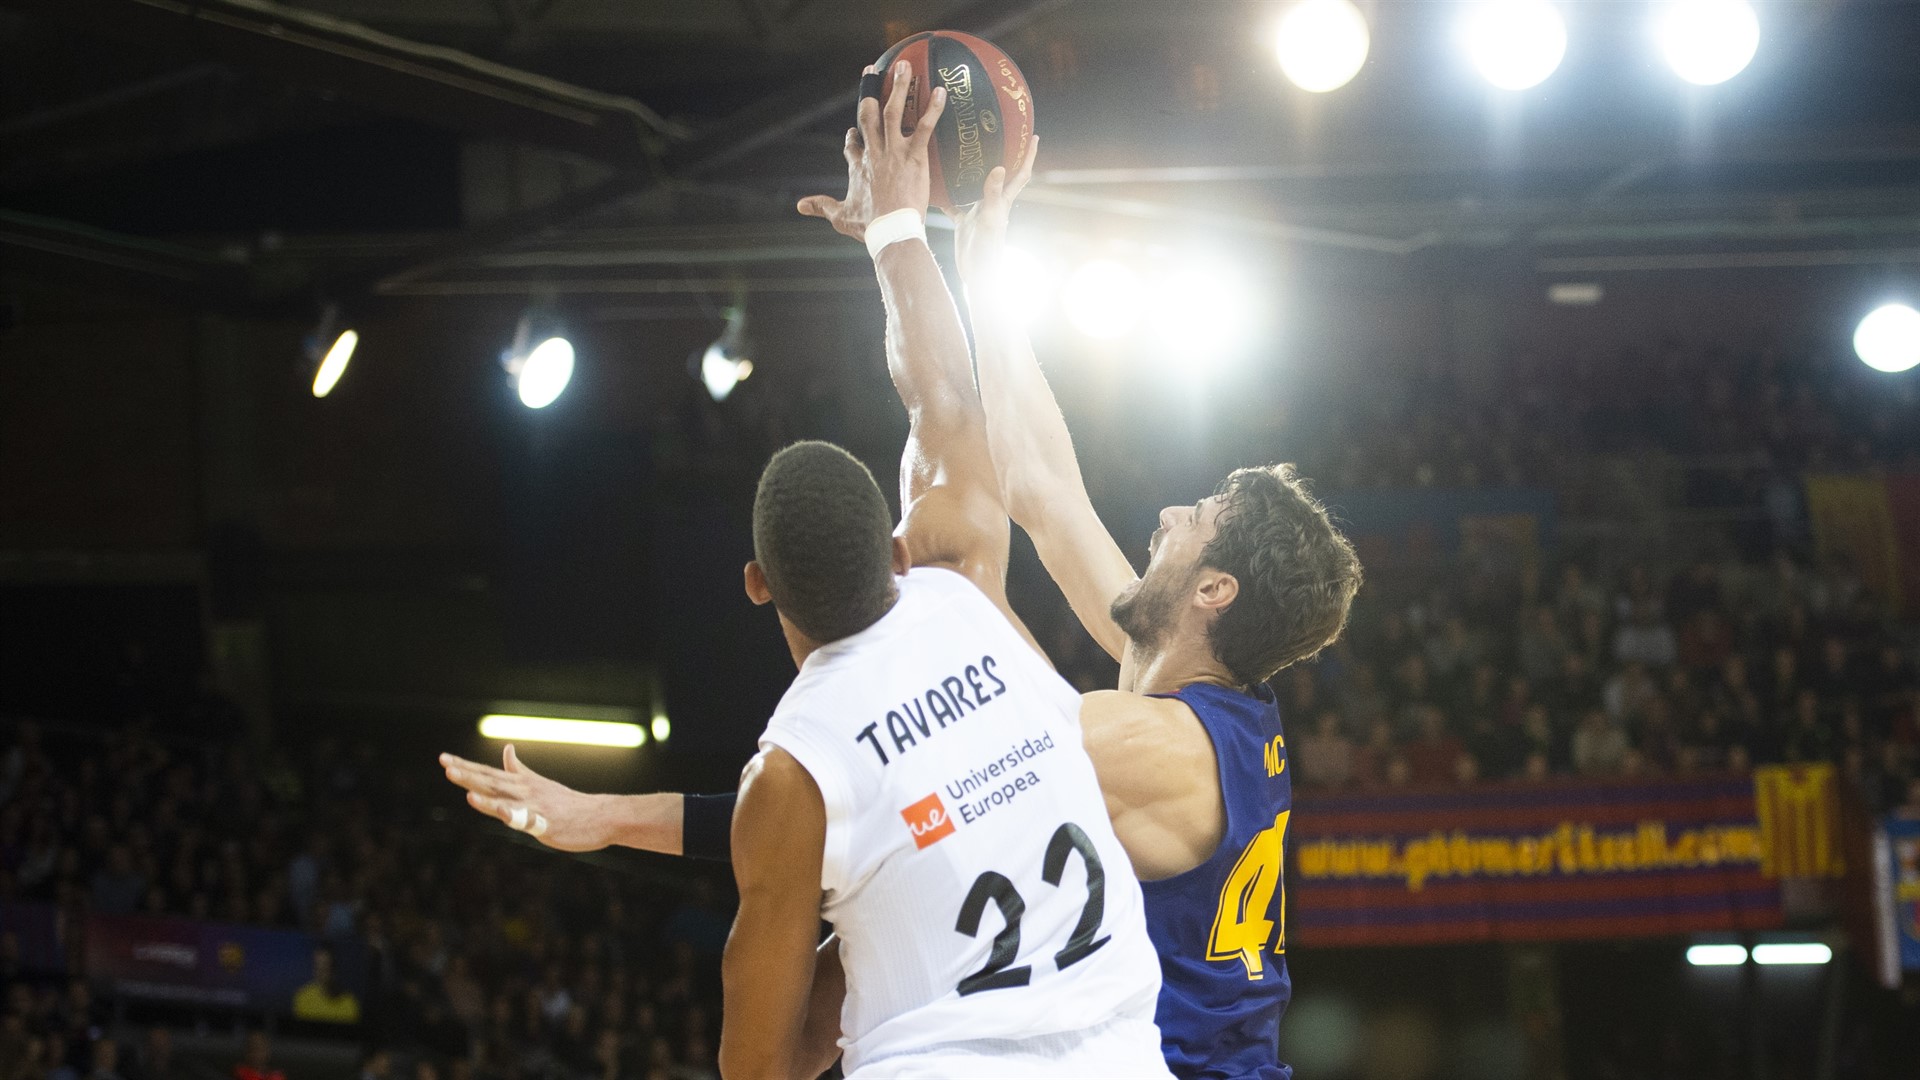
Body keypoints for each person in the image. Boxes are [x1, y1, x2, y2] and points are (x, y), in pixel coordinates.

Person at [445, 74, 1361, 1080]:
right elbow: (1043, 485)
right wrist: (981, 256)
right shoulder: (1182, 678)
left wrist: (613, 816)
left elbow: (882, 781)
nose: (1168, 515)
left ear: (1214, 592)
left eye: (1198, 522)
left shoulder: (1161, 746)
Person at [292, 946, 361, 1024]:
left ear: (334, 969)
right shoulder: (302, 998)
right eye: (317, 967)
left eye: (325, 966)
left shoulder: (350, 1005)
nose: (320, 972)